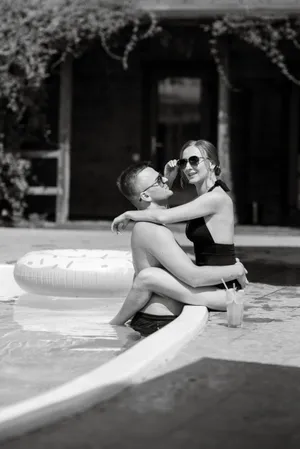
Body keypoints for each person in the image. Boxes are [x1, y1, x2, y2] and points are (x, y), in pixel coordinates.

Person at [110, 155, 247, 333]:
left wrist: (167, 179)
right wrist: (236, 270)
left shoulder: (150, 226)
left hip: (156, 319)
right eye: (159, 180)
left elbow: (161, 211)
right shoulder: (150, 229)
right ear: (144, 195)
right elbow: (194, 278)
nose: (165, 180)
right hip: (157, 322)